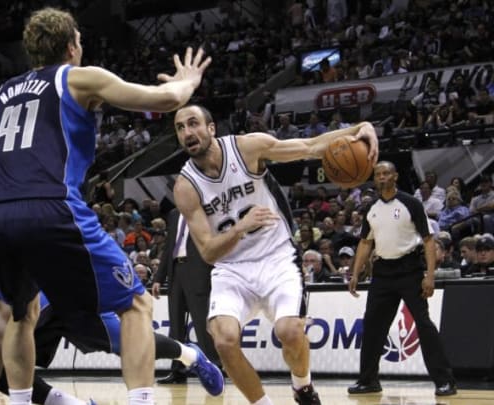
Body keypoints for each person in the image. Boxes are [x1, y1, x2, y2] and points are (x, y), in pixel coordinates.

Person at [0, 7, 211, 405]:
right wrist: (188, 81)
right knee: (136, 304)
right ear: (71, 46)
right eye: (80, 41)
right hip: (49, 206)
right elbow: (165, 100)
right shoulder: (78, 77)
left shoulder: (4, 92)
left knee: (21, 313)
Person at [172, 103, 379, 405]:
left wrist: (359, 129)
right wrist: (240, 228)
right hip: (232, 268)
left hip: (276, 257)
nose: (188, 132)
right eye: (180, 128)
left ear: (211, 128)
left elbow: (309, 146)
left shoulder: (246, 148)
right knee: (224, 341)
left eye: (193, 123)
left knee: (290, 331)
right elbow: (207, 252)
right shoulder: (185, 186)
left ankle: (303, 386)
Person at [0, 281, 223, 405]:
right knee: (1, 371)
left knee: (128, 344)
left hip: (64, 303)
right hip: (31, 324)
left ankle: (190, 355)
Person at [347, 161, 457, 397]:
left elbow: (428, 241)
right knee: (373, 327)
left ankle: (444, 381)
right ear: (375, 179)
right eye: (378, 174)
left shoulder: (411, 203)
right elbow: (365, 242)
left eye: (387, 173)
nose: (382, 177)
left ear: (395, 176)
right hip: (383, 272)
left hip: (410, 269)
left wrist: (429, 275)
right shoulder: (371, 208)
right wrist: (355, 272)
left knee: (424, 325)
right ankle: (368, 380)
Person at [152, 208, 219, 385]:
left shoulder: (207, 211)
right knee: (176, 327)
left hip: (198, 271)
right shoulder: (174, 214)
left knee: (201, 323)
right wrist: (159, 278)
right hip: (176, 271)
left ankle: (214, 368)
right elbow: (168, 248)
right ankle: (178, 370)